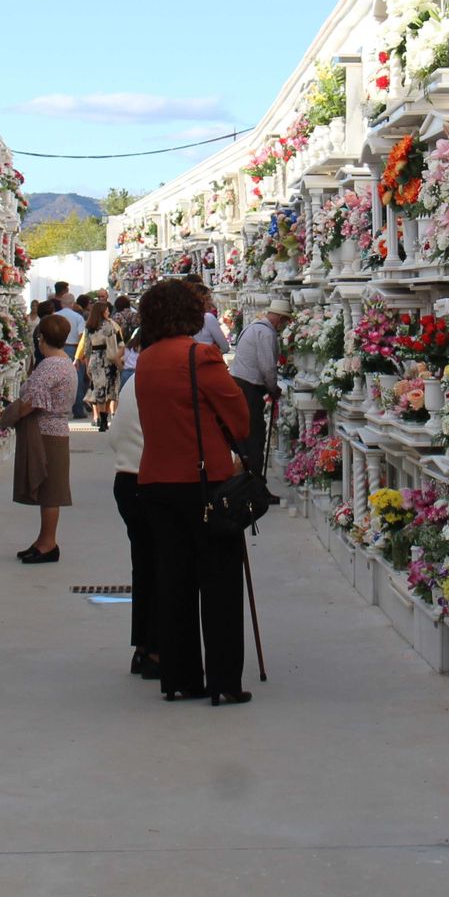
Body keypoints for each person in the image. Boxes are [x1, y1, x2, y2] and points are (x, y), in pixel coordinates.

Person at [134, 280, 252, 706]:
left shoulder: (146, 360)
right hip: (203, 482)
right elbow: (238, 418)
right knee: (219, 582)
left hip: (155, 482)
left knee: (174, 580)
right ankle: (223, 681)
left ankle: (180, 677)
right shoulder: (199, 355)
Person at [3, 314, 75, 564]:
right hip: (54, 429)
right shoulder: (64, 361)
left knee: (50, 490)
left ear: (41, 338)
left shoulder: (50, 366)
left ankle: (48, 543)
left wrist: (9, 415)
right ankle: (43, 539)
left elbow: (31, 402)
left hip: (46, 432)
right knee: (48, 490)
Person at [107, 373, 156, 679]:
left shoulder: (132, 382)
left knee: (145, 566)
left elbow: (115, 437)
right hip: (152, 480)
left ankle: (143, 647)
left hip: (127, 479)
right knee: (166, 567)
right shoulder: (165, 379)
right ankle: (156, 651)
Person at [229, 296, 289, 480]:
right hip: (249, 387)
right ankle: (254, 482)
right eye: (285, 322)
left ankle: (249, 478)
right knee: (255, 434)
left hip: (240, 383)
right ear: (280, 319)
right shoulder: (266, 333)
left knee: (248, 433)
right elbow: (267, 367)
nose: (284, 327)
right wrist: (273, 388)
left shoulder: (254, 327)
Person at [79, 299, 124, 431]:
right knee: (110, 390)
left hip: (95, 359)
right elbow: (120, 344)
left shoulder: (89, 328)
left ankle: (101, 418)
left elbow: (87, 348)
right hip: (110, 360)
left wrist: (87, 364)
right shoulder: (112, 325)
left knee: (99, 391)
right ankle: (105, 418)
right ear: (102, 312)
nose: (108, 312)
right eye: (107, 310)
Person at [53, 294, 87, 419]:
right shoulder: (78, 317)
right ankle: (78, 409)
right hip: (74, 348)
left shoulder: (55, 316)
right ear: (73, 303)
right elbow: (81, 336)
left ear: (61, 303)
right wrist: (81, 354)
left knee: (57, 379)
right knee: (77, 380)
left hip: (57, 348)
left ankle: (57, 409)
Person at [183, 276, 232, 354]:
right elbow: (225, 347)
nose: (211, 302)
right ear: (201, 301)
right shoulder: (207, 318)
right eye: (208, 298)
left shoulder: (184, 318)